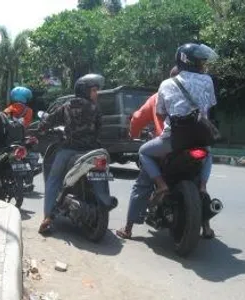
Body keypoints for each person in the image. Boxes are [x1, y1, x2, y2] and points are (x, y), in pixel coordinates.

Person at [116, 43, 218, 239]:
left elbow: (159, 114)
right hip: (200, 138)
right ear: (193, 61)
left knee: (144, 155)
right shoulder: (208, 81)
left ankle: (131, 224)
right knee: (207, 158)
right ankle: (205, 212)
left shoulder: (165, 85)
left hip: (173, 141)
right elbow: (209, 107)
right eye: (201, 61)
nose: (204, 64)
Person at [37, 73, 104, 234]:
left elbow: (48, 121)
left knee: (53, 180)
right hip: (92, 151)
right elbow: (99, 130)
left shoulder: (67, 106)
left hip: (69, 150)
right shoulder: (96, 108)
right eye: (94, 90)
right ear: (85, 91)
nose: (96, 94)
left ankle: (47, 217)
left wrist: (41, 129)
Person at [129, 67, 180, 139]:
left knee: (143, 150)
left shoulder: (156, 97)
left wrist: (133, 135)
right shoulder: (198, 92)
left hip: (169, 142)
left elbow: (137, 118)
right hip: (197, 140)